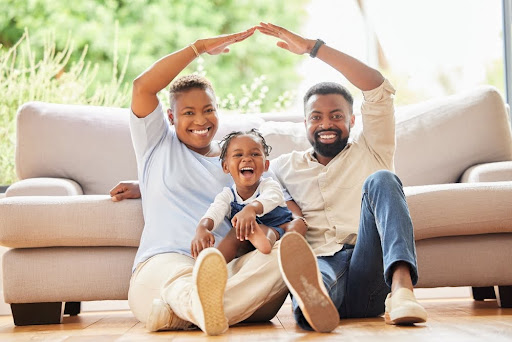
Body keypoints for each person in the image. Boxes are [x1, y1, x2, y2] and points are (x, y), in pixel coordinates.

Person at [119, 26, 305, 336]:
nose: (201, 120)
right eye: (188, 112)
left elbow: (292, 213)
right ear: (170, 117)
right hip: (165, 265)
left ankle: (180, 313)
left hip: (226, 267)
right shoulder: (157, 145)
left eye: (208, 110)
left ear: (218, 111)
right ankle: (201, 306)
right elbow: (142, 88)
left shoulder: (244, 161)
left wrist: (285, 232)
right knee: (177, 285)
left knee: (282, 257)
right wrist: (200, 47)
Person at [255, 22, 428, 332]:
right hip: (321, 265)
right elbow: (237, 175)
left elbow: (376, 86)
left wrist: (312, 47)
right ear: (305, 123)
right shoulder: (282, 167)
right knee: (313, 278)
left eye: (336, 116)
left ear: (351, 119)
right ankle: (312, 304)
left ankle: (403, 292)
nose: (327, 123)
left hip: (369, 271)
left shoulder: (372, 148)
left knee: (383, 179)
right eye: (317, 117)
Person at [192, 129, 293, 263]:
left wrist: (251, 209)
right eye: (238, 155)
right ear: (225, 166)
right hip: (245, 236)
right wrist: (202, 228)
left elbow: (271, 197)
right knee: (234, 233)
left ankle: (265, 243)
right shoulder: (227, 195)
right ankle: (215, 264)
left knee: (270, 230)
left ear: (266, 165)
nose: (247, 159)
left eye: (255, 154)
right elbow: (215, 211)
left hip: (275, 229)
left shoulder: (269, 186)